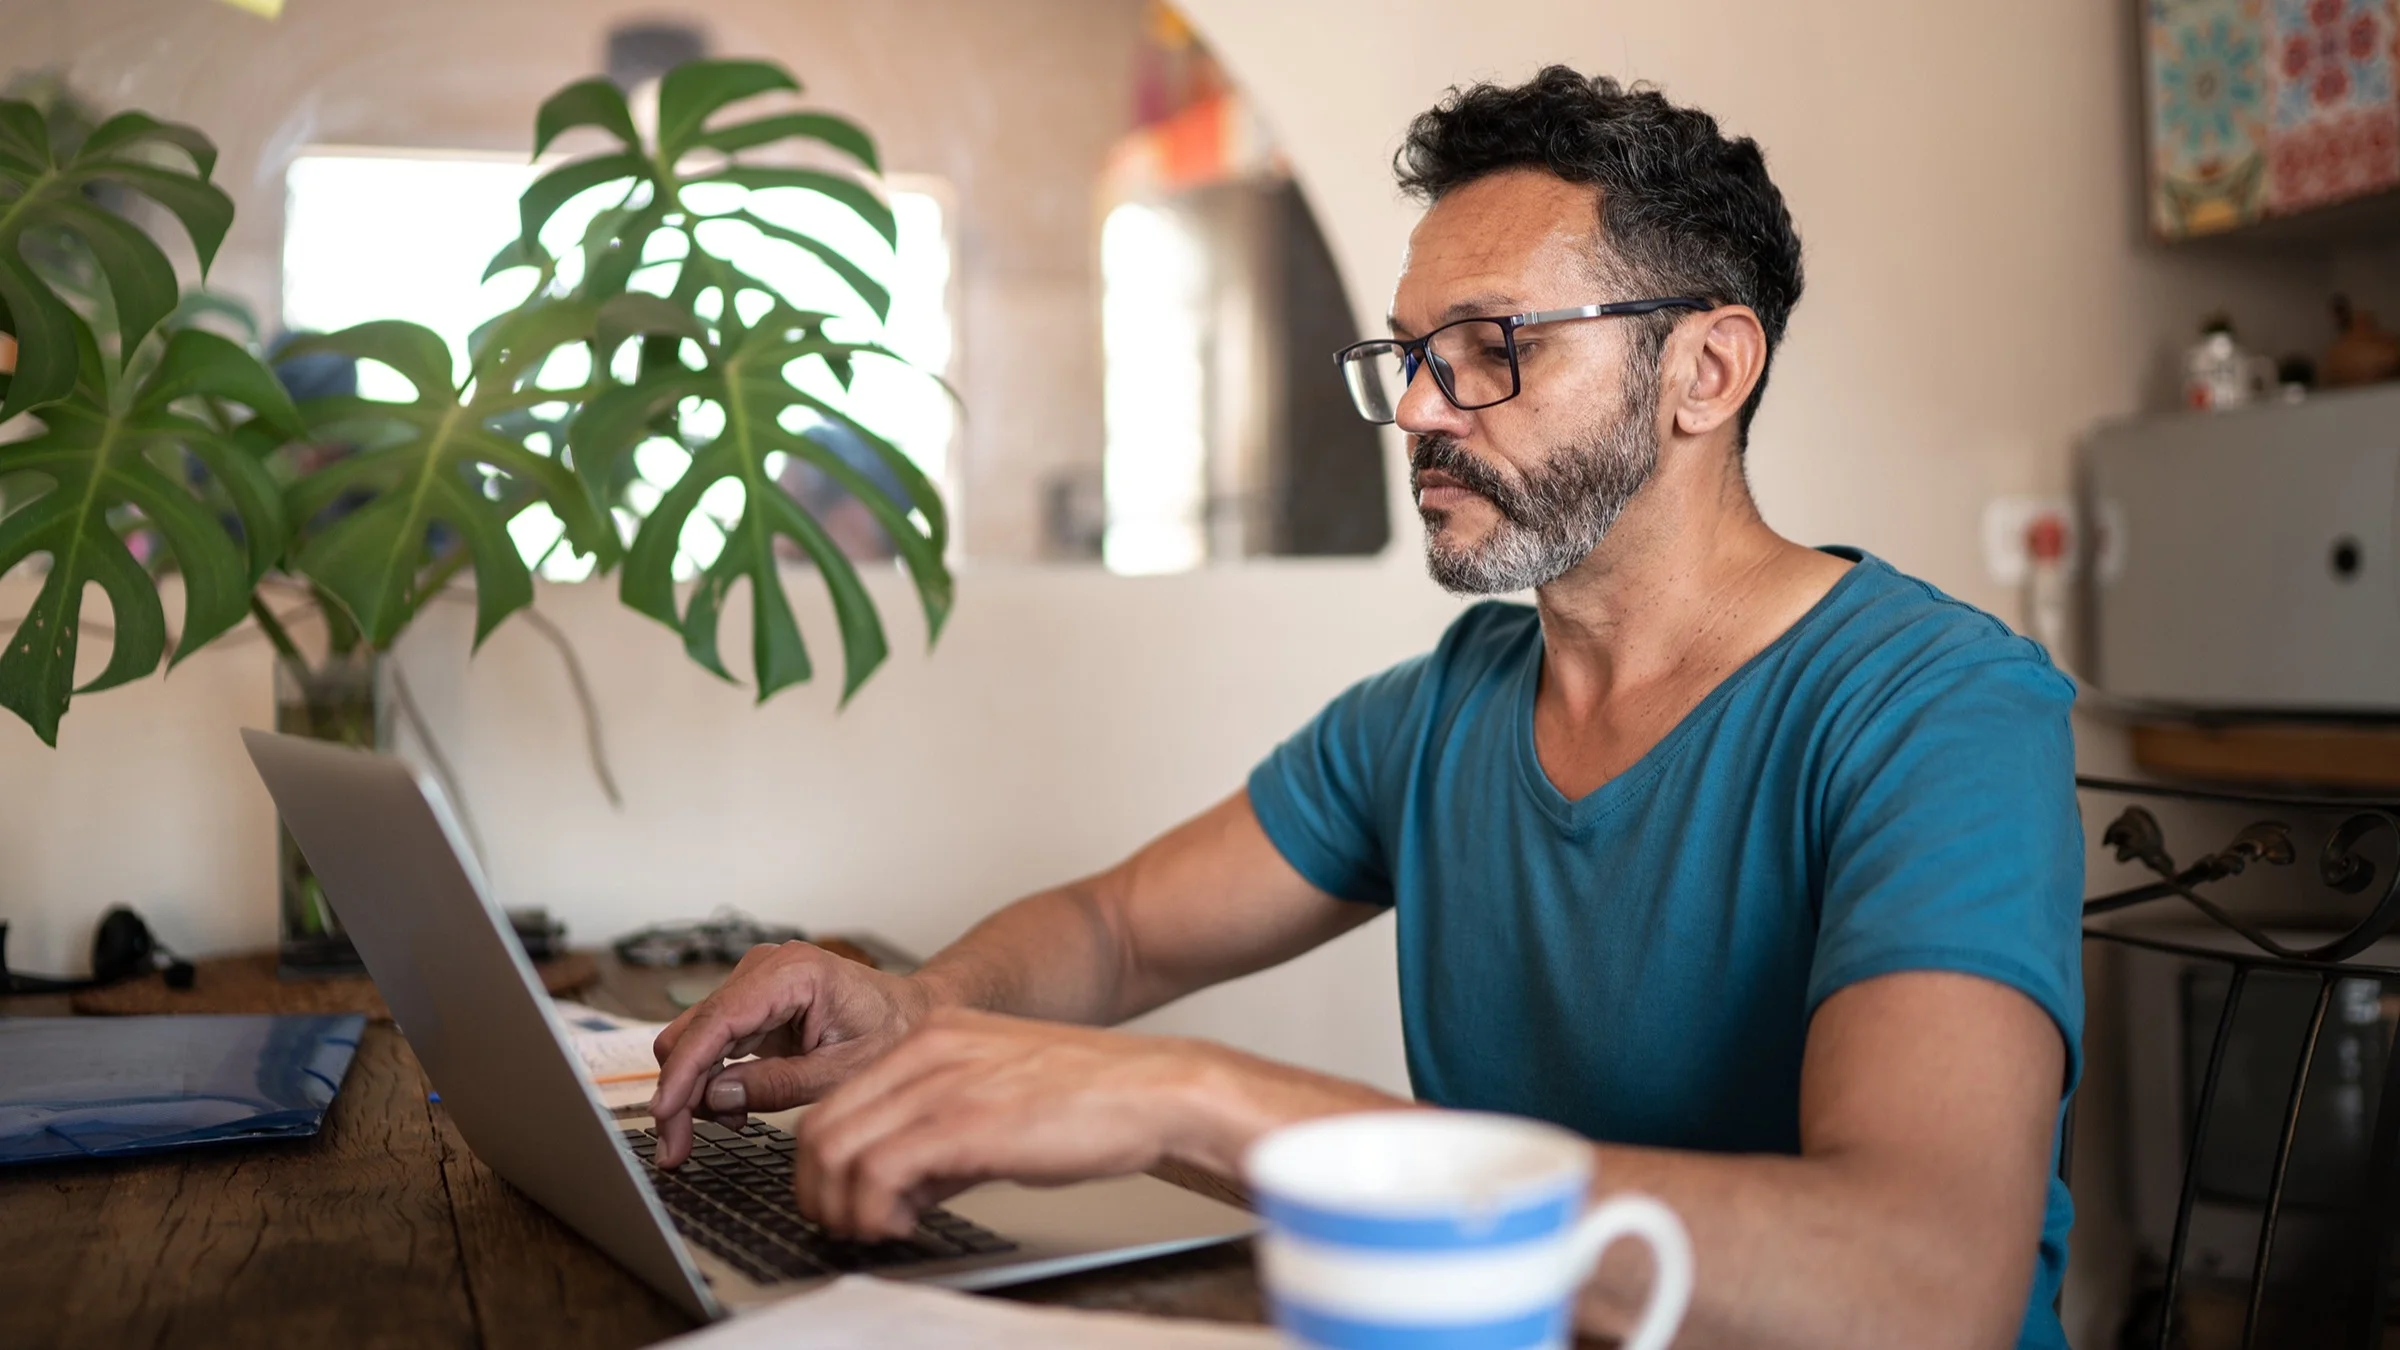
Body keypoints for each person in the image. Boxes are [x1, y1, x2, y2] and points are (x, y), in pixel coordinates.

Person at [648, 67, 2082, 1350]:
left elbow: (1922, 1283)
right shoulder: (1438, 715)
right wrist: (919, 1004)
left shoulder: (1939, 713)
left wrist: (1190, 1098)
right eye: (1409, 352)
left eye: (1488, 344)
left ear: (1706, 370)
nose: (1418, 410)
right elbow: (1119, 927)